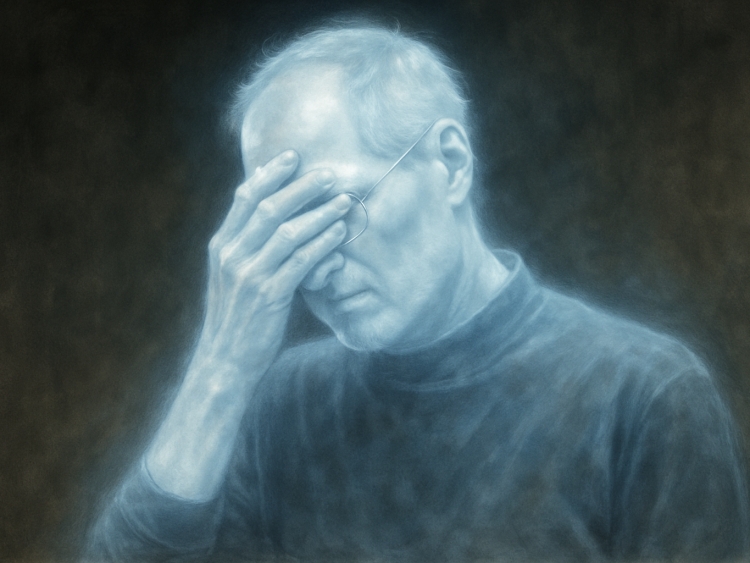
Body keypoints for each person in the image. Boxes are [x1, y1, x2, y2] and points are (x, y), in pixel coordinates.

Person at [86, 24, 748, 562]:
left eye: (338, 209)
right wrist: (221, 368)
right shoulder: (281, 404)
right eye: (285, 228)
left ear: (451, 163)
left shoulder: (645, 395)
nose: (314, 266)